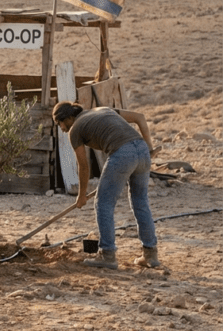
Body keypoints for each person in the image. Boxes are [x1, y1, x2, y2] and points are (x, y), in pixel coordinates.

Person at [53, 102, 161, 270]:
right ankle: (150, 255)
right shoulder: (104, 110)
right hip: (141, 149)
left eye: (59, 123)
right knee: (140, 202)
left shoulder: (75, 129)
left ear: (68, 118)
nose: (60, 128)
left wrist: (81, 195)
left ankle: (107, 255)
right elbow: (140, 117)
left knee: (103, 203)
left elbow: (83, 166)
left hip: (122, 153)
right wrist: (149, 148)